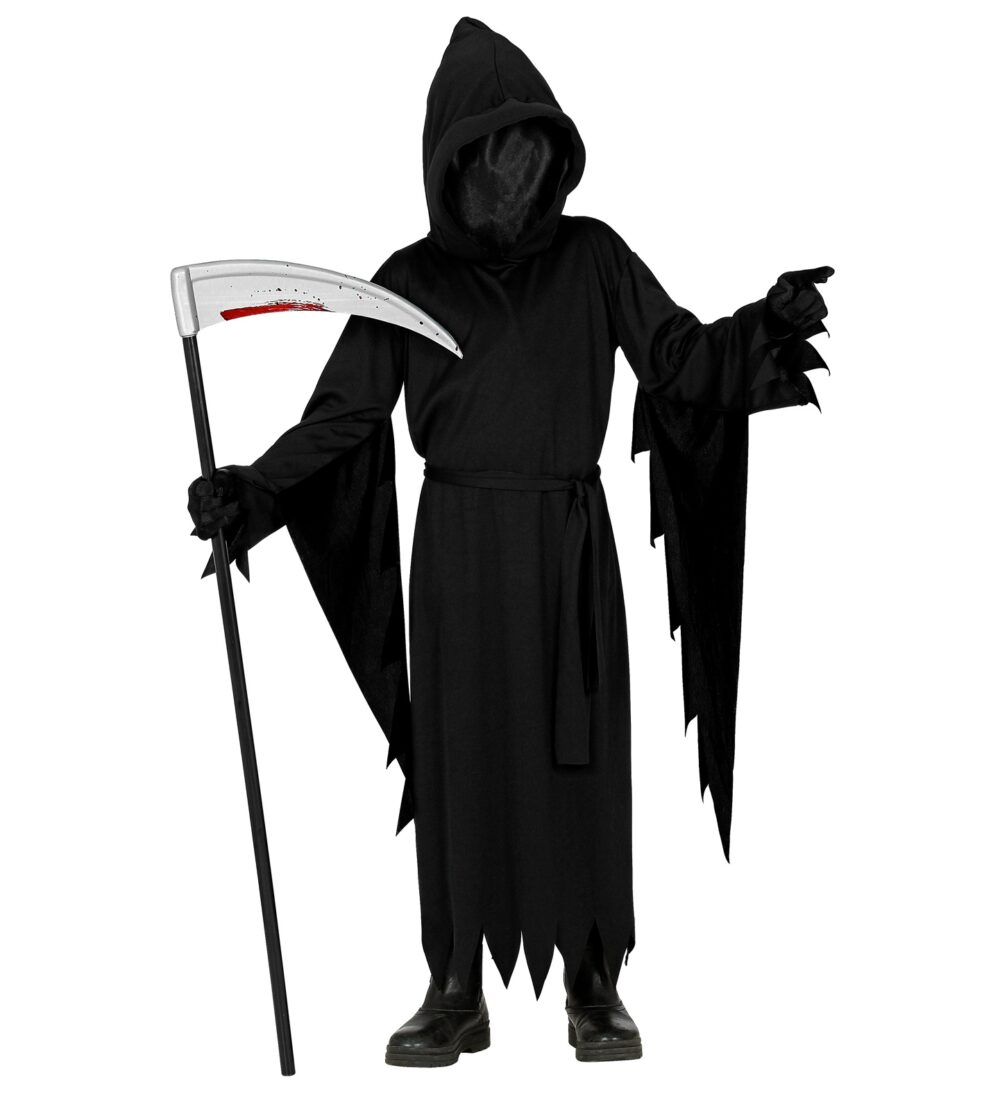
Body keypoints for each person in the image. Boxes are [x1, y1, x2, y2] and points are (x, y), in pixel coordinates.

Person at [188, 15, 832, 1067]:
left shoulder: (593, 256)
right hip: (458, 555)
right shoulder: (409, 281)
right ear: (451, 160)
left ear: (549, 151)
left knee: (582, 754)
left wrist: (765, 327)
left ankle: (592, 978)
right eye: (488, 155)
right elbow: (344, 418)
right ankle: (455, 984)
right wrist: (250, 493)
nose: (509, 174)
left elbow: (677, 360)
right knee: (462, 751)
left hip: (569, 546)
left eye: (524, 150)